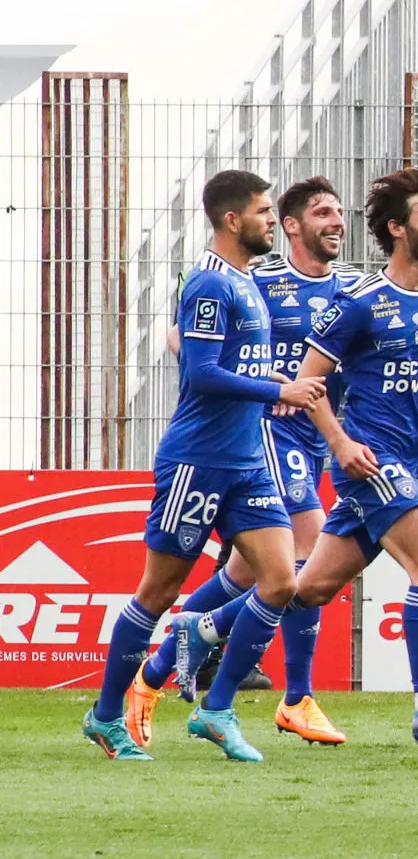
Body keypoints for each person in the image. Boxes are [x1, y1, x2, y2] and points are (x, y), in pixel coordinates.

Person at [176, 168, 418, 744]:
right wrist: (339, 441)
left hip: (387, 453)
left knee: (303, 585)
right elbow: (293, 372)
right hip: (348, 453)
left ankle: (203, 633)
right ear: (398, 229)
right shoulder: (332, 296)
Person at [80, 170, 325, 762]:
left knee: (283, 580)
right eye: (264, 211)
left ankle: (215, 709)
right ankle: (107, 716)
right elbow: (202, 374)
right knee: (158, 592)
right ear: (232, 220)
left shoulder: (246, 281)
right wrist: (279, 391)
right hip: (198, 462)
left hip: (247, 461)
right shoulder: (209, 285)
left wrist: (272, 385)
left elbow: (233, 368)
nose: (272, 220)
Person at [127, 177, 361, 749]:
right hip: (264, 433)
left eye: (340, 212)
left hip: (316, 436)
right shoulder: (255, 277)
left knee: (253, 574)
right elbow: (184, 338)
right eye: (323, 212)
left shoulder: (355, 288)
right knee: (307, 554)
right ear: (292, 226)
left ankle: (170, 656)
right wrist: (261, 385)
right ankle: (297, 698)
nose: (337, 221)